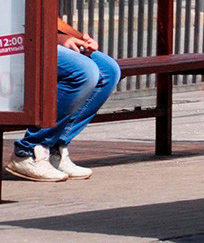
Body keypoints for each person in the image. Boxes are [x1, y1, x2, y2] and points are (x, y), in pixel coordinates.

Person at [5, 18, 120, 182]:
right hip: (12, 41)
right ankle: (29, 151)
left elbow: (47, 12)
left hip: (36, 36)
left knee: (108, 70)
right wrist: (56, 39)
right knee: (84, 72)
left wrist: (80, 38)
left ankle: (54, 149)